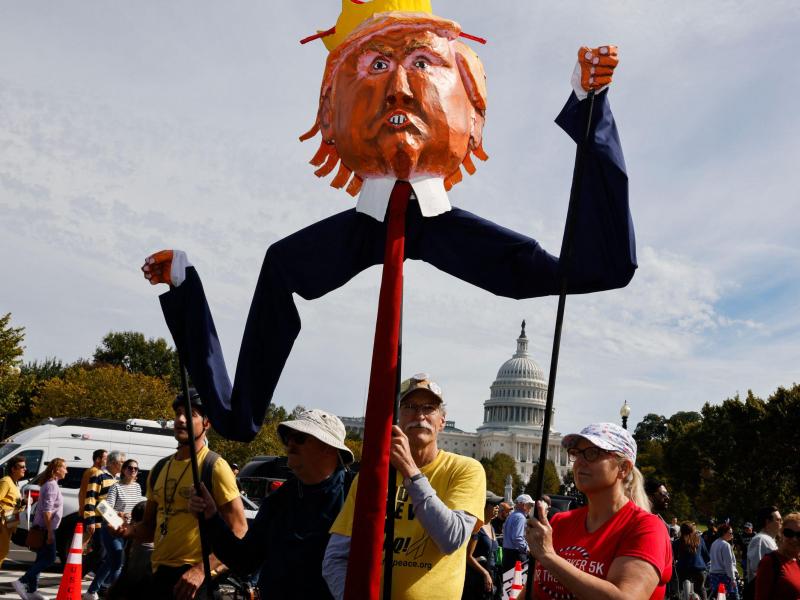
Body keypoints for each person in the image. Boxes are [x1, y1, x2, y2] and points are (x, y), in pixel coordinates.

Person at [141, 12, 635, 445]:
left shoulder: (467, 236)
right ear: (330, 119)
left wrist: (590, 105)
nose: (398, 87)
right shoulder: (290, 261)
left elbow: (598, 268)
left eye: (422, 63)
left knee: (580, 271)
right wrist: (183, 288)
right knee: (280, 267)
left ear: (475, 114)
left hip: (438, 222)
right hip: (365, 224)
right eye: (376, 66)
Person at [323, 373, 486, 599]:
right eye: (409, 406)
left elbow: (451, 539)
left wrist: (410, 471)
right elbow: (335, 557)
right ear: (397, 417)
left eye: (429, 408)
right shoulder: (371, 478)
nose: (419, 416)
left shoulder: (465, 470)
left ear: (442, 420)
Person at [189, 409, 355, 599]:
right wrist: (211, 517)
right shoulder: (279, 499)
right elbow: (245, 560)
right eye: (287, 438)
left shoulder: (355, 496)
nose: (290, 444)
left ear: (329, 447)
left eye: (299, 438)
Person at [119, 390, 246, 600]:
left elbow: (240, 530)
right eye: (178, 413)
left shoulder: (215, 466)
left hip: (196, 582)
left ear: (207, 423)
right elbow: (149, 528)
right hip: (159, 575)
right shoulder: (160, 468)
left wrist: (201, 571)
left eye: (191, 413)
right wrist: (127, 530)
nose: (180, 419)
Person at [526, 422, 672, 599]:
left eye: (592, 453)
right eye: (576, 453)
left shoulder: (646, 528)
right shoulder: (558, 523)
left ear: (623, 468)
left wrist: (549, 557)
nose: (579, 462)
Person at [84, 459, 145, 600]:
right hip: (113, 528)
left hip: (129, 529)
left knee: (110, 562)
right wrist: (120, 514)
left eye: (136, 468)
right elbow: (106, 507)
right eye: (130, 468)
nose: (133, 470)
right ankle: (115, 594)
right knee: (117, 562)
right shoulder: (116, 487)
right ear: (123, 470)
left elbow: (137, 507)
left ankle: (91, 591)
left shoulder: (137, 487)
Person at [13, 457, 67, 600]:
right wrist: (50, 532)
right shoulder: (51, 485)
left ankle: (31, 590)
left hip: (45, 527)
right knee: (49, 558)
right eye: (64, 468)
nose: (66, 471)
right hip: (45, 528)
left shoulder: (52, 483)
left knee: (41, 559)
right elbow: (47, 511)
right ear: (56, 469)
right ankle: (22, 581)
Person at [83, 450, 126, 599]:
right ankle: (104, 588)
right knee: (109, 557)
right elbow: (90, 498)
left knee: (110, 558)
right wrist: (90, 520)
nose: (124, 465)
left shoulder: (119, 478)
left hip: (115, 522)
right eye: (122, 462)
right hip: (102, 521)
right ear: (114, 463)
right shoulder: (99, 475)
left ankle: (94, 589)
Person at [463, 491, 502, 600]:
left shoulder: (491, 527)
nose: (497, 507)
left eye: (498, 504)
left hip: (491, 578)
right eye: (493, 504)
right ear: (483, 505)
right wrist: (485, 573)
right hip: (476, 582)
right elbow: (468, 556)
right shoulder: (477, 527)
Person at [755, 511, 800, 600]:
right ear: (781, 533)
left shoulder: (798, 561)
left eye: (799, 535)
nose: (794, 539)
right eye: (789, 533)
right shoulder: (769, 562)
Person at [745, 505, 782, 595]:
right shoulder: (760, 540)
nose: (781, 523)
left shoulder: (769, 539)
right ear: (768, 522)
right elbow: (757, 570)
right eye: (778, 520)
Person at [1, 455, 26, 569]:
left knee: (3, 552)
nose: (25, 469)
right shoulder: (6, 481)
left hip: (10, 520)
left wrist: (25, 503)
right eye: (22, 467)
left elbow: (15, 505)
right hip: (3, 521)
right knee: (2, 551)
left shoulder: (15, 483)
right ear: (13, 469)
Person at [79, 448, 107, 549]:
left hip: (87, 512)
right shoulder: (95, 472)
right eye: (105, 458)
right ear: (97, 459)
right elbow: (93, 496)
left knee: (86, 544)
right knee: (84, 544)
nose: (107, 461)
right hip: (91, 513)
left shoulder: (90, 471)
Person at [673, 522, 709, 600]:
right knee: (701, 589)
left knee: (680, 590)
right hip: (699, 570)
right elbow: (706, 556)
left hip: (683, 570)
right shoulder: (700, 540)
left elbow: (673, 558)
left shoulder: (677, 542)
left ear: (681, 531)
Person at [502, 494, 535, 573]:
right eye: (530, 505)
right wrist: (527, 549)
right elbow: (517, 538)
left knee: (508, 583)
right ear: (524, 505)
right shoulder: (520, 517)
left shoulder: (511, 516)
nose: (531, 508)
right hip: (516, 555)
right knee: (518, 583)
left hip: (507, 554)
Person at [709, 524, 738, 599]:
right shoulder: (725, 545)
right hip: (724, 577)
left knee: (717, 597)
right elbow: (729, 564)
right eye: (730, 533)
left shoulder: (714, 543)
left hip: (713, 576)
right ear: (724, 533)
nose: (732, 535)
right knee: (733, 597)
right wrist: (733, 579)